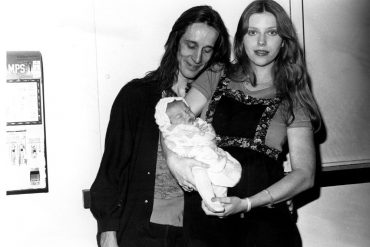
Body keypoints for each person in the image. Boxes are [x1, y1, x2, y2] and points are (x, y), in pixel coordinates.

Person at [165, 0, 322, 246]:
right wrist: (175, 162)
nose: (261, 42)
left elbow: (305, 174)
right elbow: (171, 126)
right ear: (241, 38)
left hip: (265, 223)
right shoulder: (216, 73)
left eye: (271, 33)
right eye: (252, 32)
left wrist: (247, 203)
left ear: (283, 40)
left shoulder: (293, 94)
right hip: (208, 218)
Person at [89, 5, 230, 247]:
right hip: (141, 232)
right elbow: (111, 172)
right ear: (175, 41)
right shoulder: (137, 96)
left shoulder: (220, 102)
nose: (197, 59)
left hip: (197, 234)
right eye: (191, 45)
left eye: (207, 50)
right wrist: (107, 231)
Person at [154, 97, 241, 212]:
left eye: (187, 110)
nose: (187, 115)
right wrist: (194, 142)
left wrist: (204, 132)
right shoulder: (173, 132)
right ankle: (210, 200)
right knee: (201, 176)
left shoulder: (199, 123)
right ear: (168, 122)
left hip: (211, 156)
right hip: (194, 161)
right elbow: (176, 147)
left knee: (220, 179)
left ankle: (222, 200)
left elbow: (211, 135)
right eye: (179, 116)